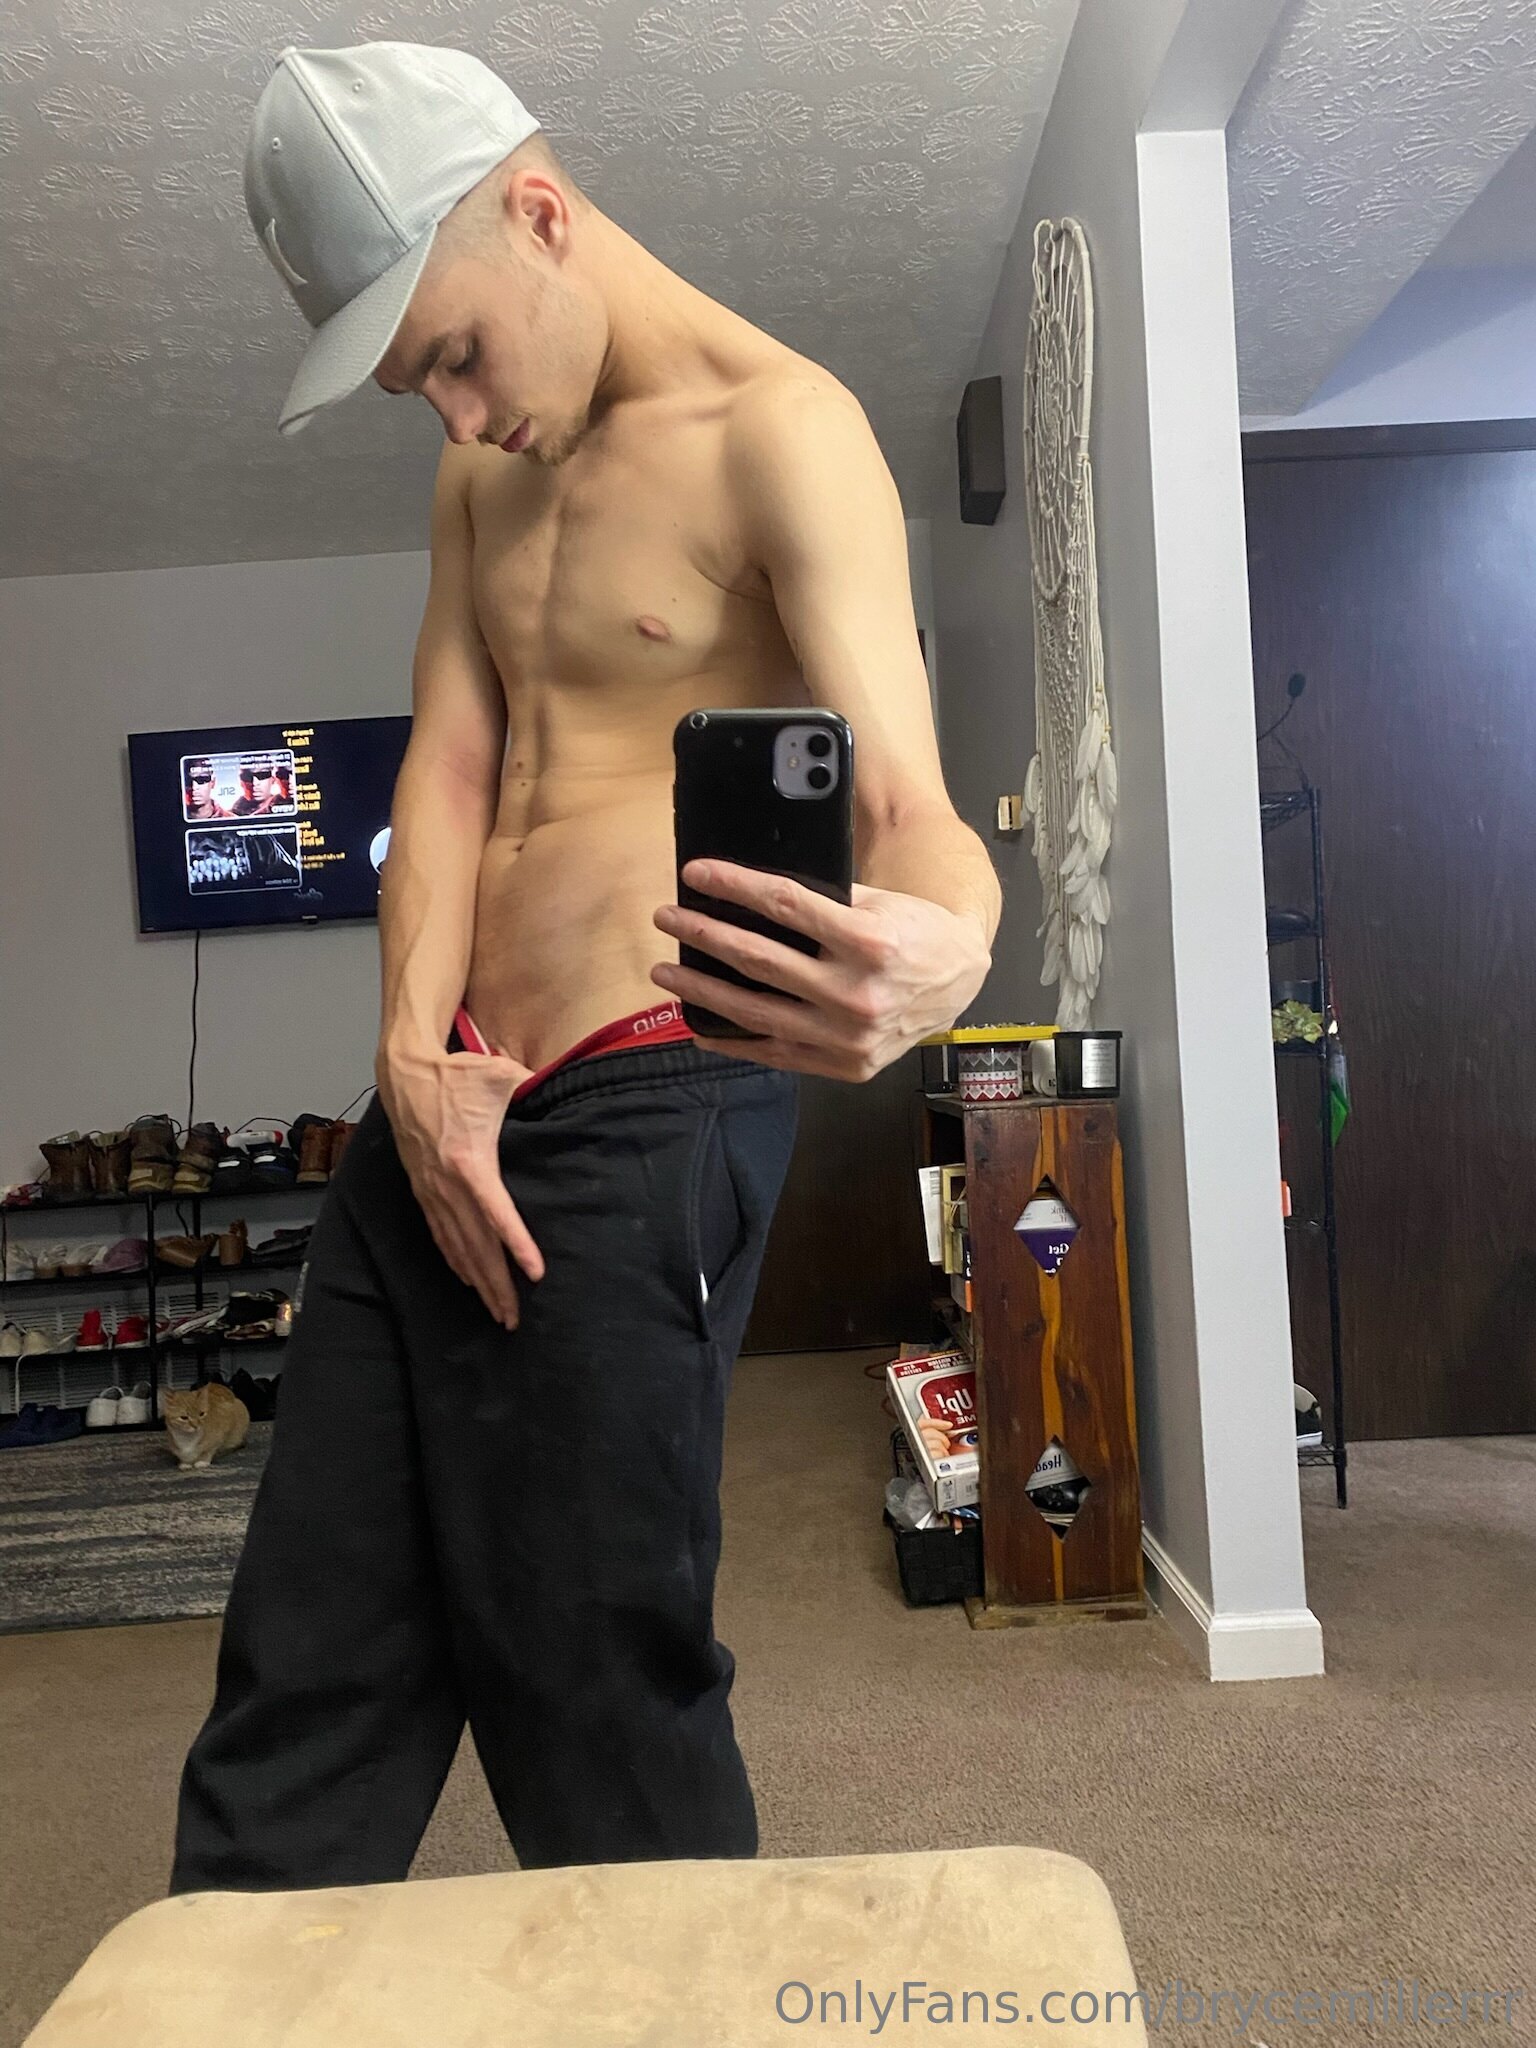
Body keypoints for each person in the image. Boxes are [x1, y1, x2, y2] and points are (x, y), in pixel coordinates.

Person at [171, 41, 1000, 1893]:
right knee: (306, 1658)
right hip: (442, 1098)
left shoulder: (782, 431)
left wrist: (944, 952)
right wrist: (410, 1060)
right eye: (420, 387)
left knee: (591, 1670)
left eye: (459, 355)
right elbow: (448, 773)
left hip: (645, 1094)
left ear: (539, 215)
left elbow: (915, 815)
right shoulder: (478, 484)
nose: (459, 418)